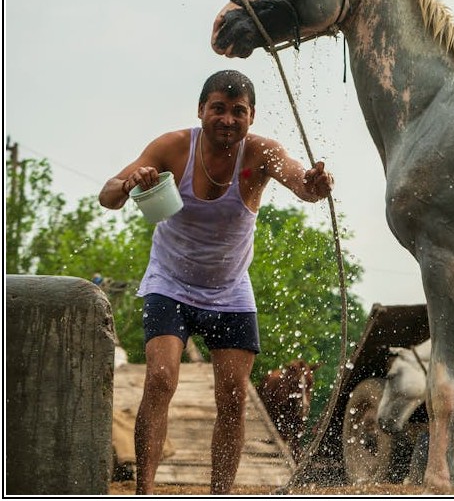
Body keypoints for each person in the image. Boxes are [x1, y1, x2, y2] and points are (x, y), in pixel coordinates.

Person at [99, 70, 334, 494]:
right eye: (219, 109)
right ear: (201, 110)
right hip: (169, 282)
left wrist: (317, 185)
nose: (228, 119)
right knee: (161, 379)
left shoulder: (262, 153)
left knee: (233, 398)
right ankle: (144, 490)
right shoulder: (173, 146)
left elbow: (303, 184)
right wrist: (129, 183)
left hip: (230, 291)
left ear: (251, 116)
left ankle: (220, 494)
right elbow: (108, 195)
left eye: (238, 112)